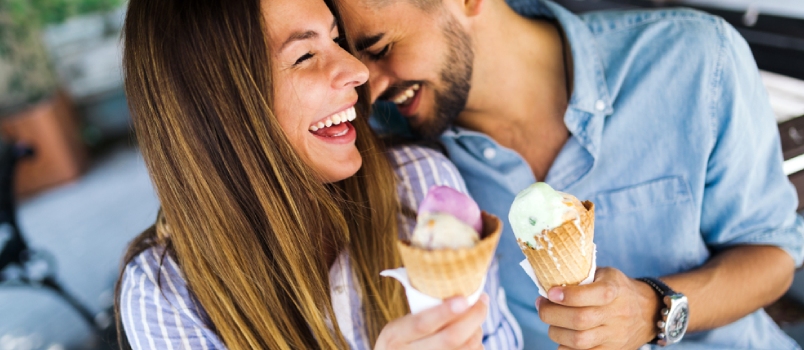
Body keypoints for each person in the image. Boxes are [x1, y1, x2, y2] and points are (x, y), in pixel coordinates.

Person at [336, 0, 804, 348]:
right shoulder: (395, 153)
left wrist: (652, 309)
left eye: (381, 48)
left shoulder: (697, 58)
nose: (372, 90)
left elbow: (773, 256)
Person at [113, 0, 522, 348]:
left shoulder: (422, 185)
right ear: (216, 110)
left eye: (337, 40)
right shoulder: (164, 294)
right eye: (304, 56)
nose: (358, 72)